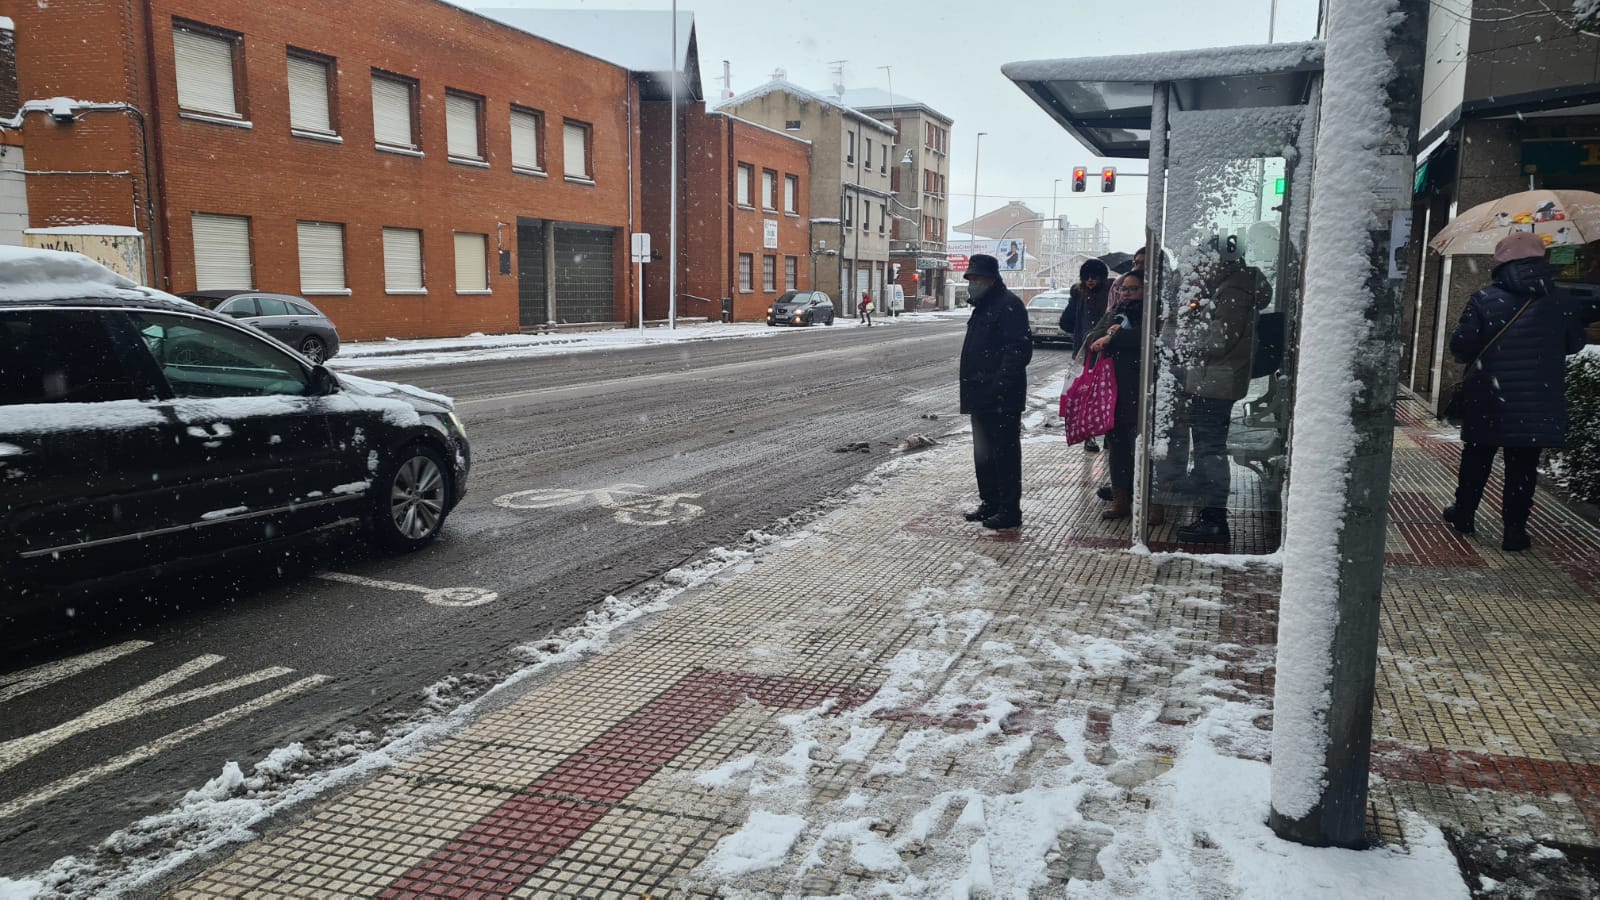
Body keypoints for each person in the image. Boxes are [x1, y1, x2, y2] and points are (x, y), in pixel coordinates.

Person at [1443, 231, 1586, 552]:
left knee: (1477, 457)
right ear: (1542, 261)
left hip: (1489, 397)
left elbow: (1462, 348)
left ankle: (1464, 513)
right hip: (1538, 398)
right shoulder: (1562, 301)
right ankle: (1515, 531)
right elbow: (1575, 344)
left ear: (1501, 262)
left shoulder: (1484, 299)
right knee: (1522, 467)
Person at [1162, 242, 1271, 545]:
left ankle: (1214, 519)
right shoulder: (1230, 287)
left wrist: (1185, 334)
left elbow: (1219, 339)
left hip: (1217, 380)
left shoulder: (1234, 292)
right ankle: (1205, 492)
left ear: (1219, 261)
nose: (1199, 269)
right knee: (1209, 444)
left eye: (1203, 263)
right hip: (1215, 378)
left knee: (1211, 448)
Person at [959, 253, 1032, 530]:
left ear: (991, 279)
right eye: (970, 278)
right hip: (979, 396)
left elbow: (1019, 350)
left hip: (1001, 397)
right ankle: (989, 502)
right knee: (984, 454)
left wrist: (1000, 385)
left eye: (977, 278)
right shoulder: (982, 307)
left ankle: (1009, 510)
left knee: (1005, 454)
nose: (972, 283)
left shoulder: (1008, 305)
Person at [1083, 270, 1162, 524]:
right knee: (1117, 446)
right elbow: (1093, 337)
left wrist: (1114, 336)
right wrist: (1109, 334)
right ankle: (1121, 498)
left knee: (1145, 448)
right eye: (1124, 289)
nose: (1127, 293)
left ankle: (1151, 501)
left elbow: (1147, 339)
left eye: (1134, 288)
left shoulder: (1155, 312)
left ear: (1146, 290)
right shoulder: (1115, 311)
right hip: (1114, 389)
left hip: (1144, 388)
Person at [1060, 259, 1112, 453]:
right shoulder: (1079, 295)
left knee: (1104, 394)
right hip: (1083, 353)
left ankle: (1108, 433)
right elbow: (1066, 323)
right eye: (1086, 277)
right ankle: (1088, 435)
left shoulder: (1110, 295)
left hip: (1105, 352)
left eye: (1094, 277)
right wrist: (1074, 302)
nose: (1090, 281)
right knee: (1084, 393)